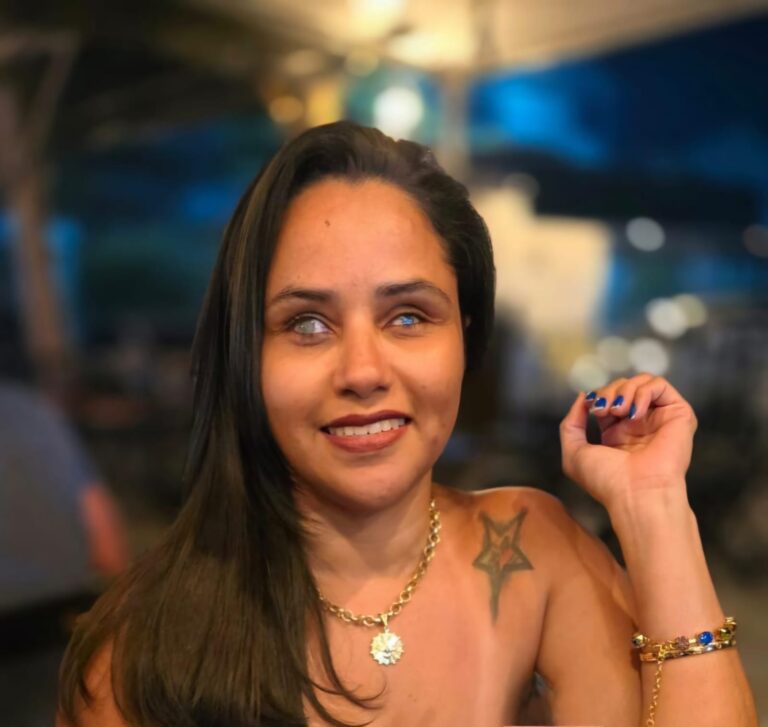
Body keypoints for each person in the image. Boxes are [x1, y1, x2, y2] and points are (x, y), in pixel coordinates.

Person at [56, 121, 757, 726]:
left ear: (465, 339)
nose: (363, 370)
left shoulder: (537, 550)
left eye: (409, 316)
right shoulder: (142, 649)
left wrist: (655, 508)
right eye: (307, 323)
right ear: (244, 353)